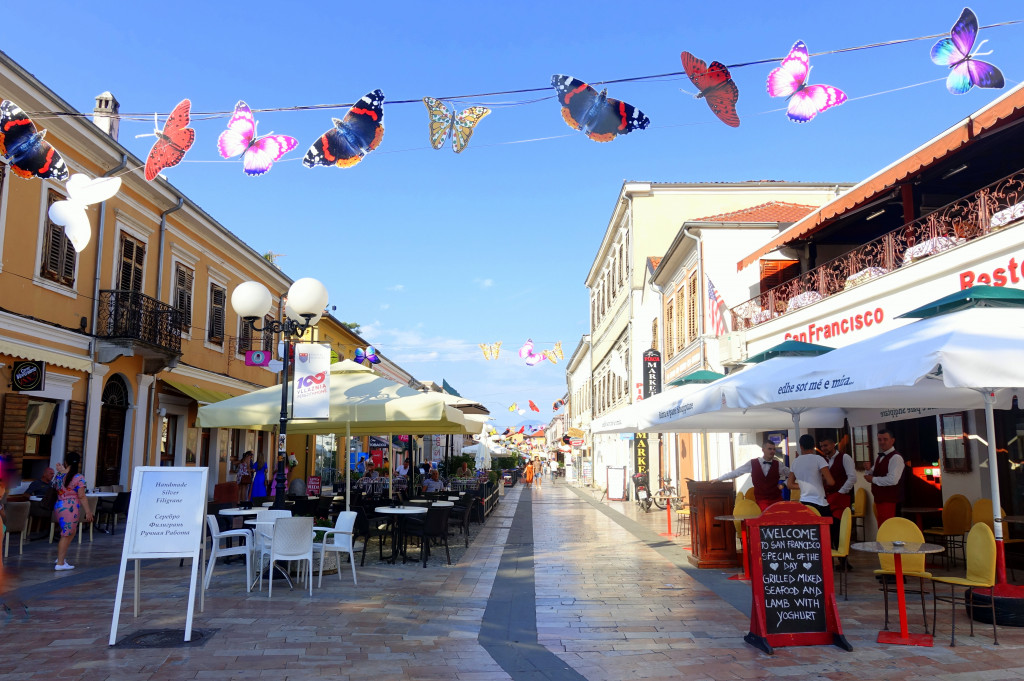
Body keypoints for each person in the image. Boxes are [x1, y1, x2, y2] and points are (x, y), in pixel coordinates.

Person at [716, 440, 790, 510]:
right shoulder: (753, 463)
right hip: (761, 501)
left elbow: (792, 474)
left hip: (776, 500)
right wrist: (719, 479)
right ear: (763, 449)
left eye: (774, 449)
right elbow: (737, 472)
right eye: (770, 449)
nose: (772, 451)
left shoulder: (778, 464)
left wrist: (784, 484)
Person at [53, 452, 93, 571]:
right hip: (71, 507)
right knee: (66, 534)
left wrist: (61, 470)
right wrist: (88, 511)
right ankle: (60, 563)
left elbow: (56, 485)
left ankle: (61, 556)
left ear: (66, 462)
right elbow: (81, 496)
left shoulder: (59, 475)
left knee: (71, 531)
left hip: (60, 505)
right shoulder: (79, 477)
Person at [821, 437, 856, 557]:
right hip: (827, 498)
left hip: (841, 498)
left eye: (826, 445)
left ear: (833, 444)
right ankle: (833, 558)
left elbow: (852, 477)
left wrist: (841, 492)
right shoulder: (824, 461)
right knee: (830, 529)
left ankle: (843, 559)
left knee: (839, 529)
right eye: (822, 446)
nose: (823, 448)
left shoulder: (845, 458)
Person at [787, 434, 834, 518]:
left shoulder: (795, 462)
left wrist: (804, 485)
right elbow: (831, 482)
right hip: (820, 502)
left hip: (804, 502)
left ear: (801, 447)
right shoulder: (819, 459)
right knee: (827, 529)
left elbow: (790, 484)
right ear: (814, 446)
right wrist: (820, 480)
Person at [865, 428, 903, 529]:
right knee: (882, 528)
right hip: (880, 500)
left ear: (892, 440)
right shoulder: (880, 457)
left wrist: (872, 479)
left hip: (889, 500)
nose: (882, 442)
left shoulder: (896, 457)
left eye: (885, 439)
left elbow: (893, 480)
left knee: (888, 529)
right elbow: (874, 472)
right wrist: (868, 470)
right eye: (879, 439)